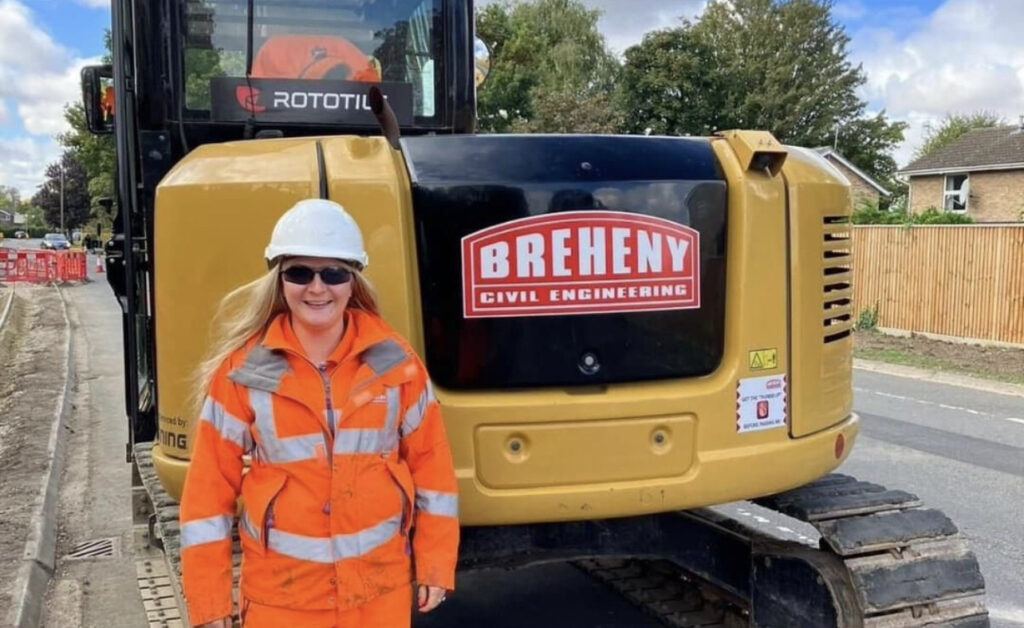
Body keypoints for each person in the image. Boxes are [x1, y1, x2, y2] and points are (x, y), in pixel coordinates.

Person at [179, 199, 459, 627]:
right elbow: (206, 495)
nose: (316, 287)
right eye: (299, 272)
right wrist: (209, 601)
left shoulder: (396, 366)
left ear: (352, 281)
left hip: (377, 597)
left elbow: (432, 468)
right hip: (282, 602)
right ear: (279, 278)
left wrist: (437, 560)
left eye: (333, 273)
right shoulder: (243, 373)